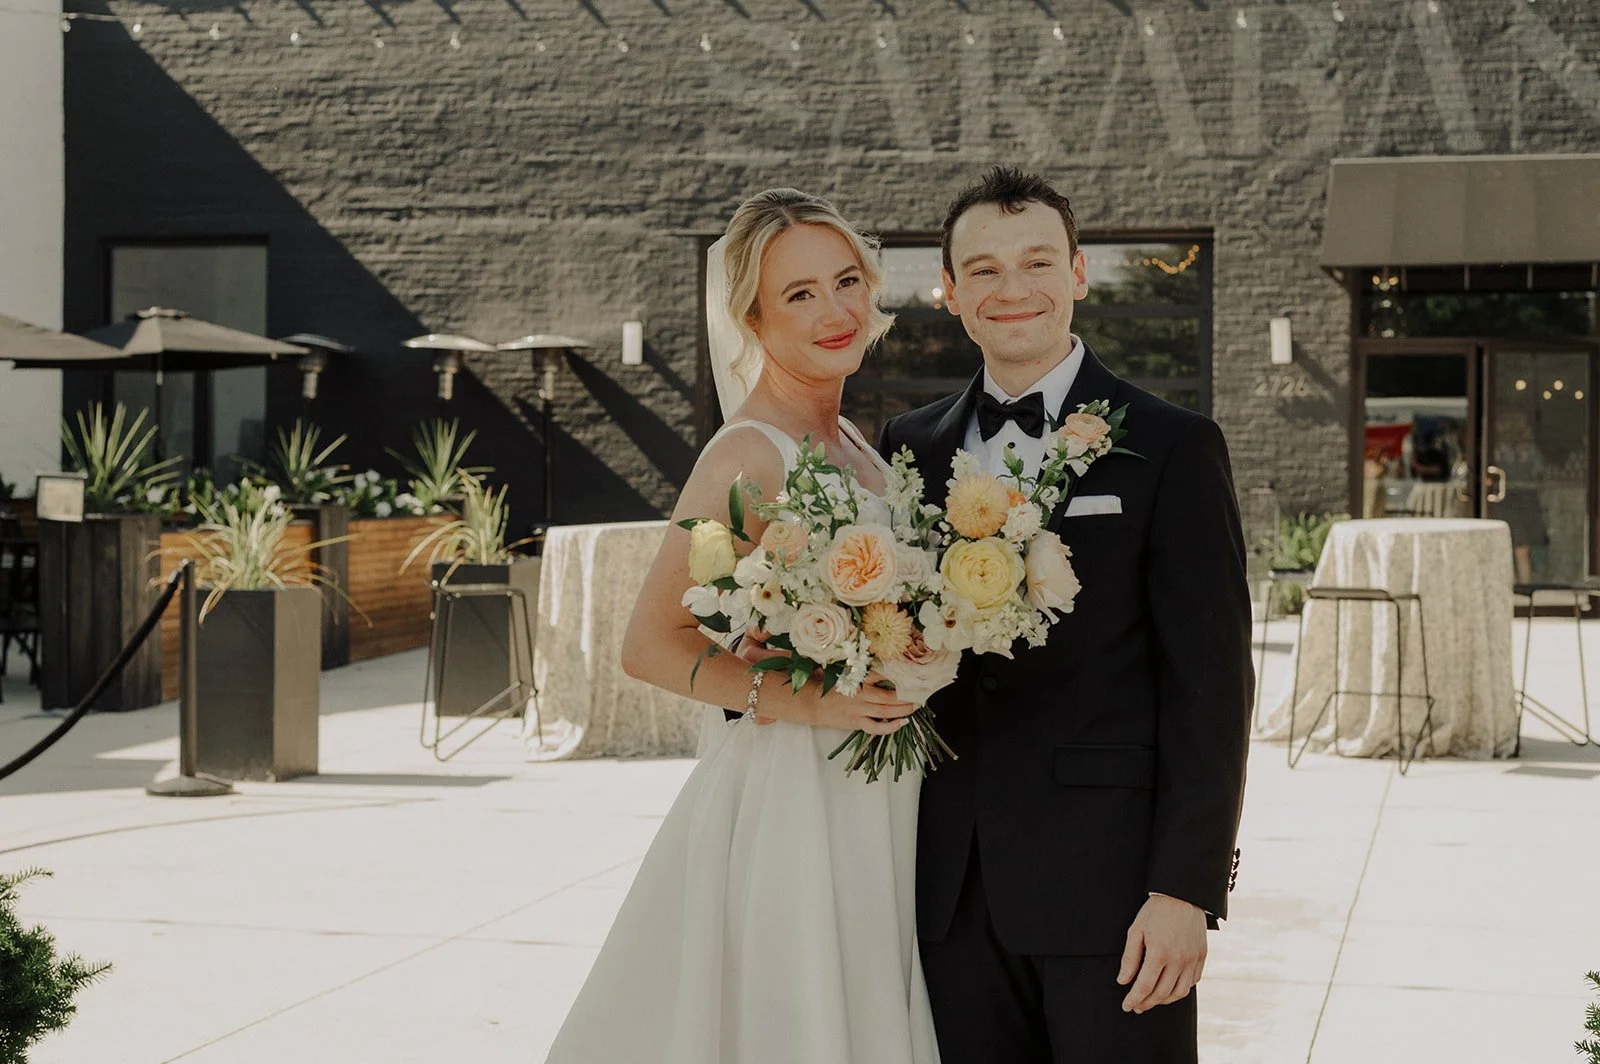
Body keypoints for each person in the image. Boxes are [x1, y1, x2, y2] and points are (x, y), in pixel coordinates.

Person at [542, 188, 941, 1063]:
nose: (835, 311)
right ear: (751, 319)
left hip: (884, 792)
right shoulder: (747, 454)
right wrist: (807, 701)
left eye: (846, 281)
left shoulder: (861, 449)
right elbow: (651, 644)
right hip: (799, 795)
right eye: (799, 294)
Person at [878, 167, 1253, 1064]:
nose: (1015, 290)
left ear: (1079, 273)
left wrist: (1185, 890)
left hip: (1116, 895)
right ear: (951, 291)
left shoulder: (1174, 446)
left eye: (1038, 262)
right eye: (985, 270)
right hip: (949, 895)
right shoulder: (906, 449)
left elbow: (1213, 686)